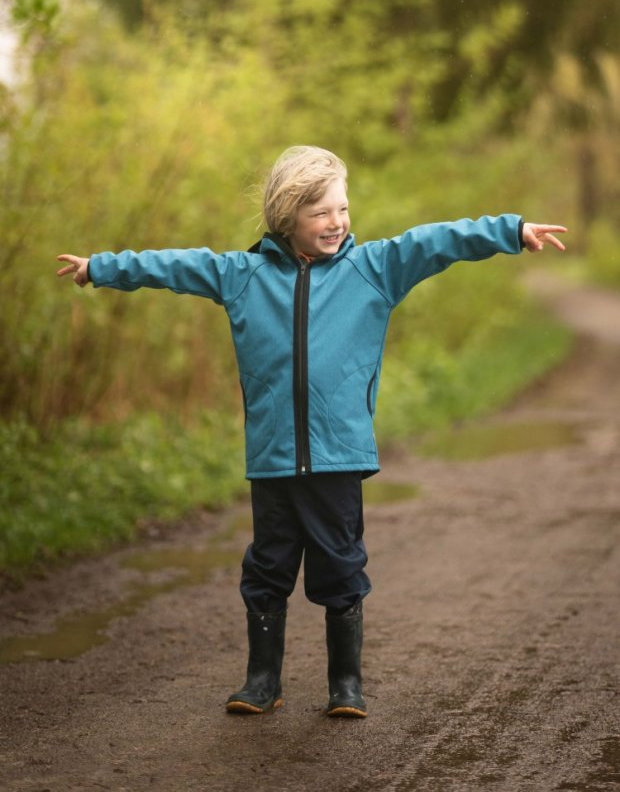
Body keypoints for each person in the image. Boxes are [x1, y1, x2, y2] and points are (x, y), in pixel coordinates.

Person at [57, 145, 567, 718]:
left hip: (338, 456)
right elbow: (175, 266)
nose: (337, 222)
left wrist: (511, 230)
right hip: (273, 458)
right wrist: (100, 268)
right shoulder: (242, 276)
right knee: (267, 567)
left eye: (342, 209)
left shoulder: (373, 270)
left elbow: (436, 241)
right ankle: (261, 681)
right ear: (287, 216)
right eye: (321, 212)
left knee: (340, 567)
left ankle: (345, 684)